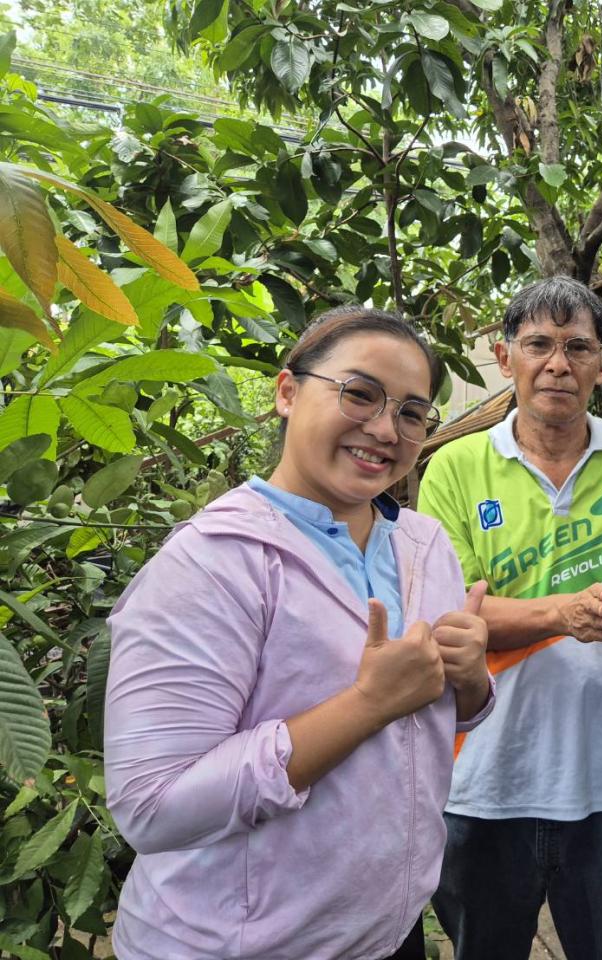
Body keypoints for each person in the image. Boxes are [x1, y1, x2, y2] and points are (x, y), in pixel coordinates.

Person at [105, 306, 494, 960]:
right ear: (288, 391)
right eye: (360, 393)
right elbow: (153, 807)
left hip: (388, 933)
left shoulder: (424, 545)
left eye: (410, 412)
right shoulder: (211, 564)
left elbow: (431, 724)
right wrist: (366, 705)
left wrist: (471, 680)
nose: (384, 428)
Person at [418, 276, 602, 960]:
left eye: (578, 346)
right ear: (504, 356)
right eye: (538, 344)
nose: (558, 364)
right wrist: (563, 614)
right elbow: (452, 616)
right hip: (485, 775)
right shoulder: (454, 468)